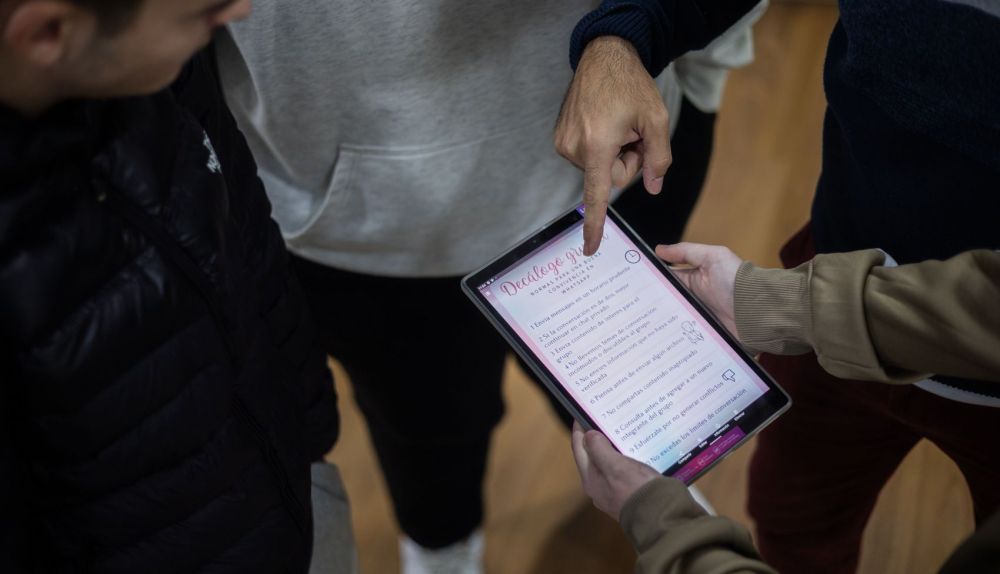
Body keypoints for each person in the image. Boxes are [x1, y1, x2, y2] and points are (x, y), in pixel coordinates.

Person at [213, 2, 765, 571]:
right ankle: (443, 548)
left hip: (609, 186)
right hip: (362, 237)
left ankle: (659, 497)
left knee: (637, 395)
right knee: (425, 435)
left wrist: (695, 69)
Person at [556, 1, 1000, 571]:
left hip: (850, 325)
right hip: (824, 303)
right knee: (790, 515)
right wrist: (619, 36)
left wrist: (657, 517)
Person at [0, 0, 346, 571]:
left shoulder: (159, 67)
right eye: (205, 11)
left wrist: (310, 433)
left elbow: (247, 236)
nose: (241, 11)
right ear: (48, 33)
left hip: (295, 492)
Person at [570, 243, 1000, 573]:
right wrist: (772, 302)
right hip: (827, 327)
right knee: (792, 516)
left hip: (982, 399)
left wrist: (655, 518)